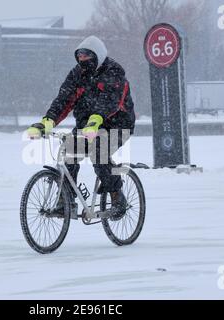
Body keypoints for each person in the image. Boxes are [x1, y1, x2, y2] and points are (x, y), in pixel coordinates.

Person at [27, 35, 135, 217]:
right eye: (80, 56)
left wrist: (96, 120)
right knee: (69, 150)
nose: (82, 60)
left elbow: (110, 101)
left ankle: (117, 196)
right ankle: (66, 200)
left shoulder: (114, 73)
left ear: (98, 56)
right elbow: (63, 100)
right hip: (87, 127)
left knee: (99, 153)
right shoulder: (77, 74)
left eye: (86, 56)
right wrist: (48, 121)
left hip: (117, 125)